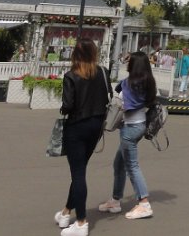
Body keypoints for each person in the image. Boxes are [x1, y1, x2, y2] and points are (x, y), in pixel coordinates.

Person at [55, 38, 111, 236]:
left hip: (77, 126)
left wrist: (62, 107)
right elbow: (109, 96)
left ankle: (81, 222)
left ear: (75, 54)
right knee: (79, 170)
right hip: (96, 126)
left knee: (78, 173)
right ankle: (65, 212)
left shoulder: (71, 76)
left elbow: (68, 105)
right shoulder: (103, 72)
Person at [98, 51, 155, 220]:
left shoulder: (129, 83)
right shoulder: (148, 81)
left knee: (132, 166)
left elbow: (124, 104)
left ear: (134, 65)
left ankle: (144, 203)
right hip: (140, 125)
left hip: (130, 128)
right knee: (119, 164)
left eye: (129, 61)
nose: (127, 63)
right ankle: (115, 200)